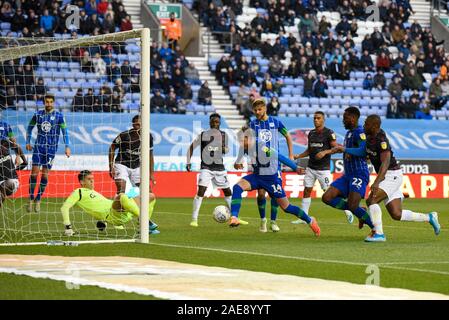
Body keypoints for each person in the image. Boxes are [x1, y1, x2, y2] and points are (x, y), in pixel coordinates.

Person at [335, 115, 440, 240]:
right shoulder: (369, 137)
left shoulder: (382, 140)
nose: (364, 126)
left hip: (392, 175)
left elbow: (385, 163)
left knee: (371, 200)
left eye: (367, 124)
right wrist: (346, 150)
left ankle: (379, 233)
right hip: (387, 177)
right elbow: (363, 151)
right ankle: (429, 217)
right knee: (396, 214)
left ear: (374, 126)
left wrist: (377, 182)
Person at [229, 98, 321, 236]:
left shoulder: (262, 145)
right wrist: (238, 161)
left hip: (271, 177)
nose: (241, 144)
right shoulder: (249, 138)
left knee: (287, 207)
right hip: (257, 176)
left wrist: (294, 167)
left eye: (242, 141)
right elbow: (243, 151)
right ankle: (234, 217)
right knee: (237, 187)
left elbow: (279, 156)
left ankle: (310, 220)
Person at [318, 107, 380, 242]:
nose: (343, 120)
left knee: (352, 206)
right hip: (347, 175)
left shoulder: (360, 132)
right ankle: (360, 210)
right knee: (327, 197)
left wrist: (346, 149)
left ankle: (375, 228)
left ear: (353, 118)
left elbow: (363, 151)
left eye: (345, 118)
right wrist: (329, 152)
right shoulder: (349, 134)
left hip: (359, 174)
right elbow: (348, 150)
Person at [291, 112, 353, 225]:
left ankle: (347, 209)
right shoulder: (311, 133)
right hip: (311, 167)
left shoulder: (329, 133)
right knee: (307, 191)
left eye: (318, 118)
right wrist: (299, 156)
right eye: (314, 118)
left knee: (329, 193)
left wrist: (325, 152)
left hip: (323, 169)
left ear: (323, 120)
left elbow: (337, 148)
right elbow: (309, 150)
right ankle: (304, 217)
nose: (316, 120)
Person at [186, 113, 247, 227]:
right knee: (201, 191)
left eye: (217, 122)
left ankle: (235, 218)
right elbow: (191, 147)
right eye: (213, 122)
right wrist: (188, 161)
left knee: (228, 192)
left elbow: (226, 150)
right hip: (206, 168)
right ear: (210, 122)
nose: (215, 124)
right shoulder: (203, 135)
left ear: (219, 123)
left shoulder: (224, 135)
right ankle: (194, 219)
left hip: (219, 168)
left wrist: (224, 148)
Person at [108, 115, 159, 234]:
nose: (138, 126)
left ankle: (142, 221)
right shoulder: (124, 135)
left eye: (140, 124)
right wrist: (111, 166)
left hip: (137, 166)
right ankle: (117, 218)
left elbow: (150, 155)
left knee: (149, 193)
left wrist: (151, 173)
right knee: (122, 191)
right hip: (122, 164)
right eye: (136, 124)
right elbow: (112, 147)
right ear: (132, 124)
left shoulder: (148, 136)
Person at [61, 171, 144, 236]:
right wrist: (68, 227)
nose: (92, 180)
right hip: (114, 214)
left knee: (148, 196)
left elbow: (99, 207)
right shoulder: (78, 192)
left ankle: (146, 224)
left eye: (92, 178)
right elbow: (64, 208)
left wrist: (104, 222)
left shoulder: (94, 192)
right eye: (89, 179)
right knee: (122, 195)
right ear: (82, 182)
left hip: (122, 212)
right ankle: (145, 221)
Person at [26, 93, 71, 212]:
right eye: (47, 102)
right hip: (38, 147)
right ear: (44, 102)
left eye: (51, 102)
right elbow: (29, 127)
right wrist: (28, 141)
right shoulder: (37, 114)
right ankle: (30, 198)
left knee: (45, 175)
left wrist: (67, 146)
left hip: (51, 149)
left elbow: (64, 131)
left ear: (54, 103)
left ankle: (38, 198)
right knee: (34, 173)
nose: (49, 104)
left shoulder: (59, 116)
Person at [0, 137, 27, 207]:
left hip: (12, 182)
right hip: (1, 183)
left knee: (3, 186)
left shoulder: (3, 143)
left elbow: (17, 146)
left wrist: (23, 161)